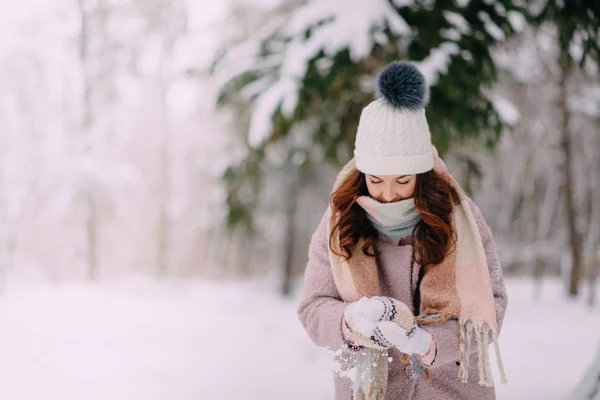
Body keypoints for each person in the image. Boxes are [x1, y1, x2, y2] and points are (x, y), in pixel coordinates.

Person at [297, 61, 508, 400]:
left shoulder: (461, 221)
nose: (389, 194)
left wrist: (430, 343)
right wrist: (348, 321)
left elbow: (491, 305)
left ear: (422, 174)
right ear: (362, 172)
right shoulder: (340, 221)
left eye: (403, 181)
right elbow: (313, 307)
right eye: (376, 180)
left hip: (452, 391)